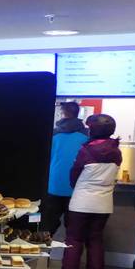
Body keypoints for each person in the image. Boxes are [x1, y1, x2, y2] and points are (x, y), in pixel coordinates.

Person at [57, 114, 122, 269]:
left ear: (93, 130)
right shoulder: (116, 151)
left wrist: (76, 186)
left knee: (74, 240)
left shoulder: (86, 150)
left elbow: (74, 174)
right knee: (96, 240)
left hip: (81, 202)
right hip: (104, 204)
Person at [43, 101, 88, 236]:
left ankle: (45, 247)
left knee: (48, 226)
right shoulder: (87, 136)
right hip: (76, 187)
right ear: (77, 114)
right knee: (73, 229)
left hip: (54, 185)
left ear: (62, 113)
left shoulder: (53, 134)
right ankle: (71, 249)